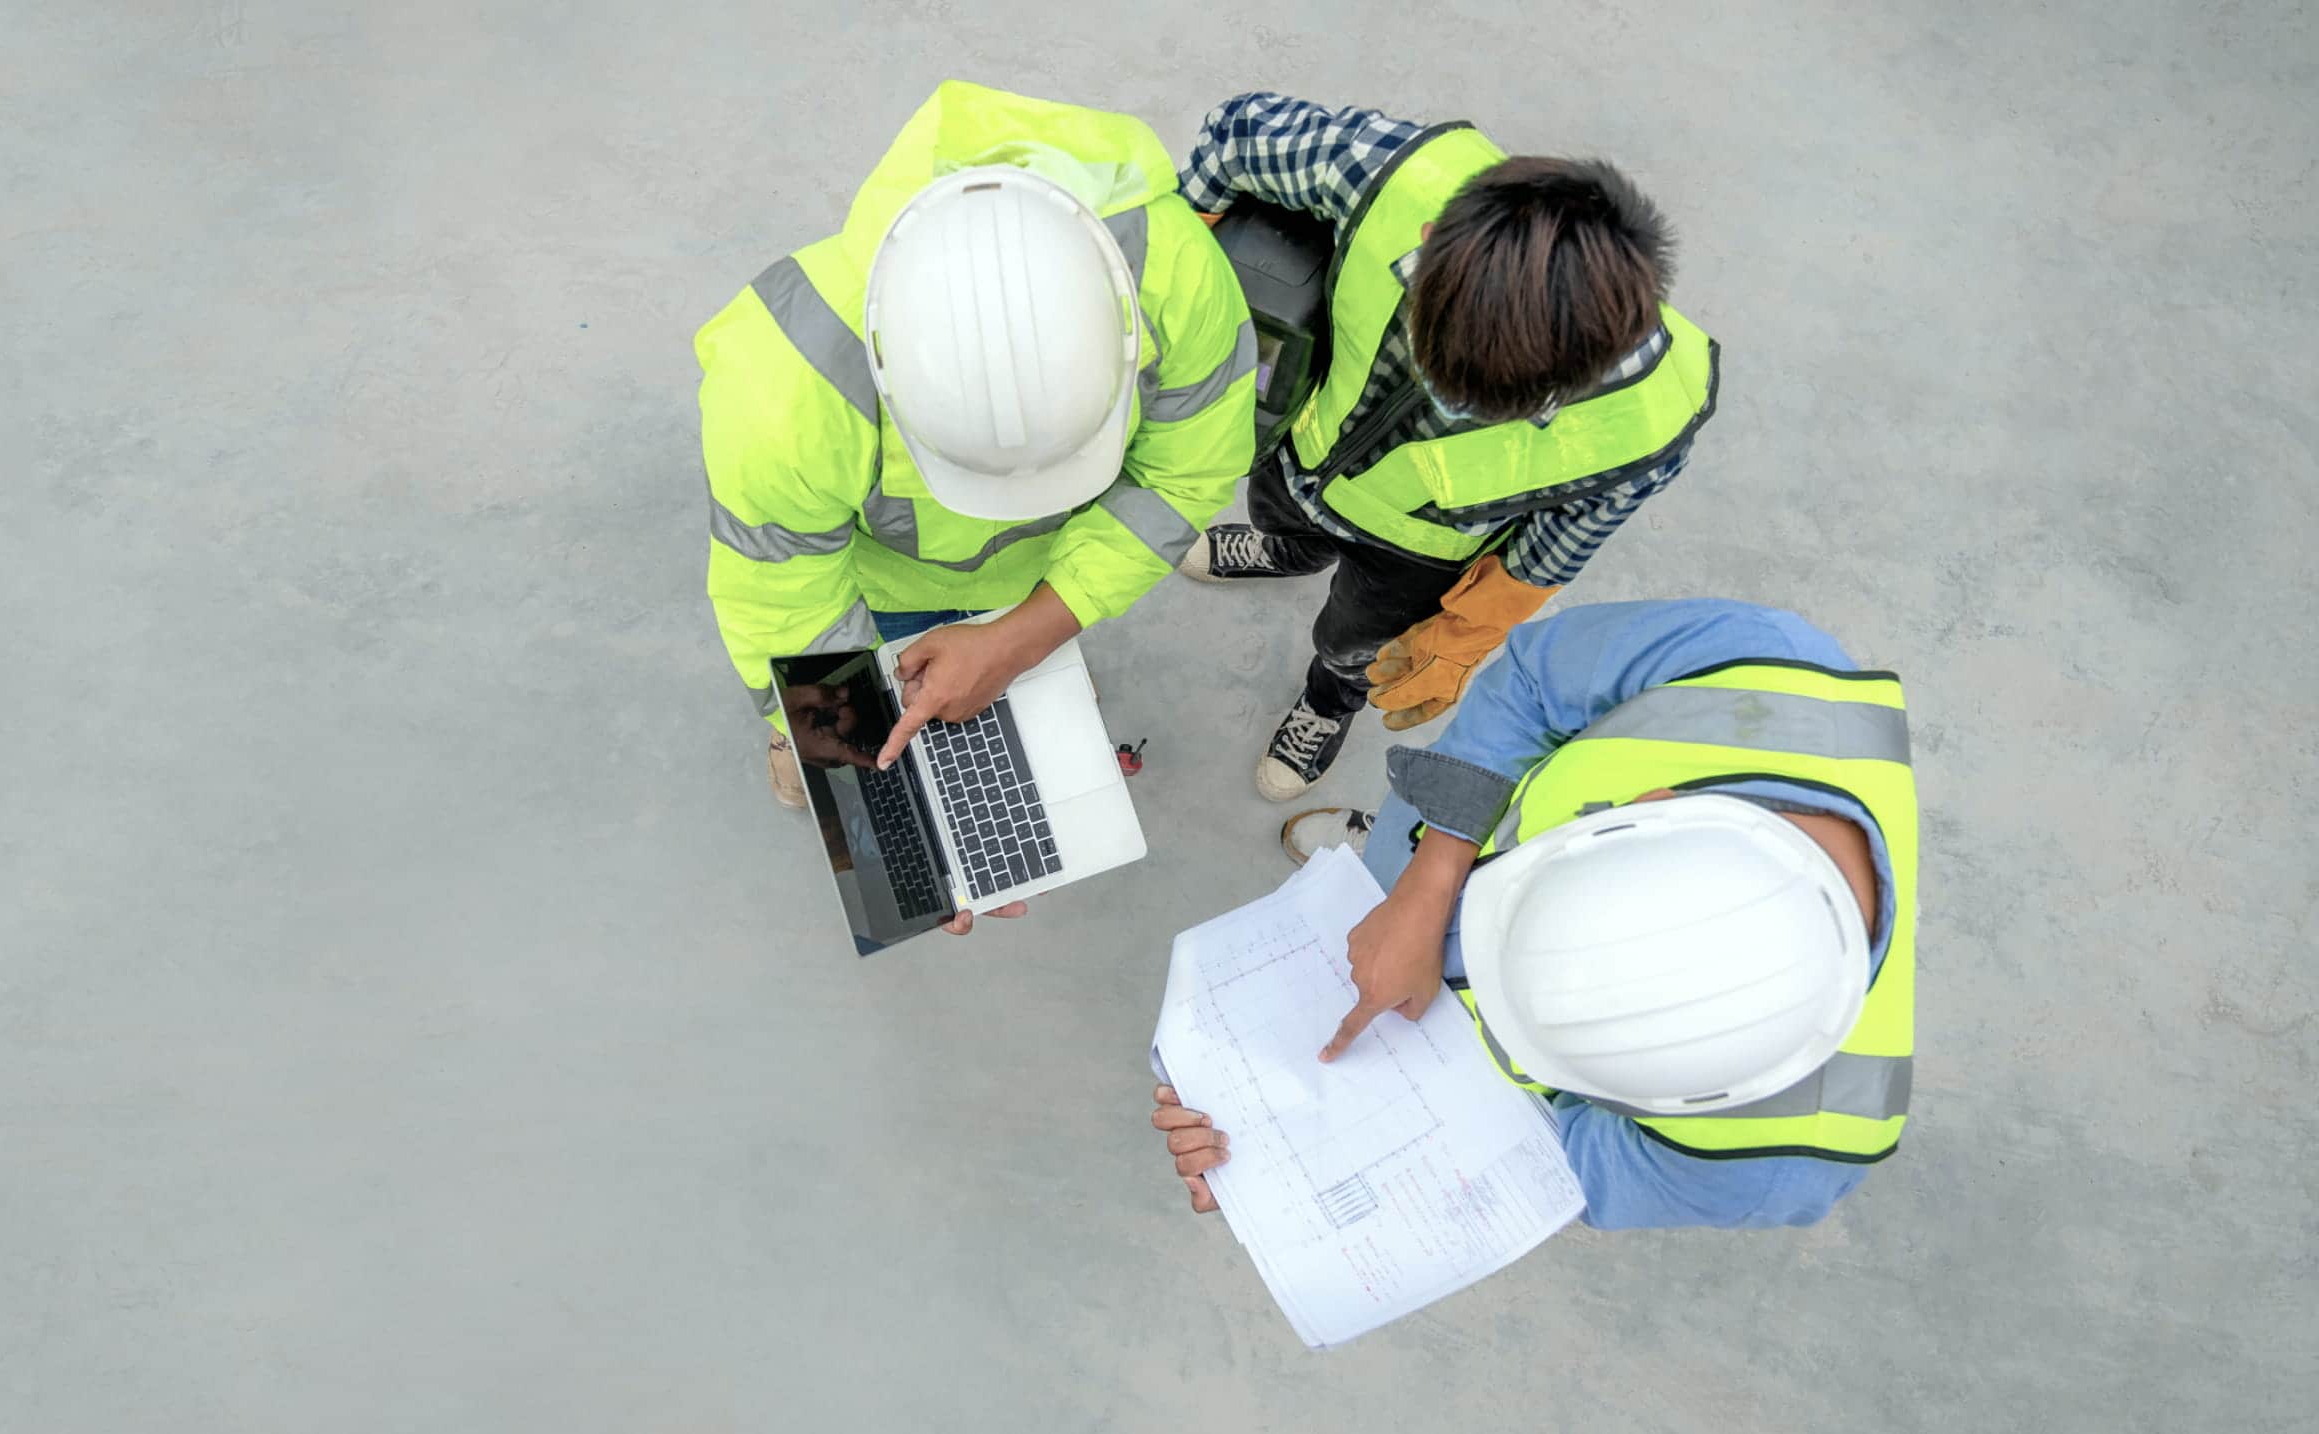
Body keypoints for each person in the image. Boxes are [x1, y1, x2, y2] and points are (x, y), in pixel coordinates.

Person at [1150, 600, 1917, 1229]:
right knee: (1400, 844)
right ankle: (1377, 855)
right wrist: (1427, 877)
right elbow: (1532, 684)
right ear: (1657, 805)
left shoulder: (1775, 1168)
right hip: (1432, 854)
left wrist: (1283, 1166)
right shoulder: (1760, 666)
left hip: (1420, 1030)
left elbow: (1532, 1172)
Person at [701, 81, 1269, 861]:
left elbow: (1183, 480)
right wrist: (868, 775)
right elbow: (784, 603)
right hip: (878, 600)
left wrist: (1027, 636)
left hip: (1045, 582)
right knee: (848, 725)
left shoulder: (1172, 276)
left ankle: (1032, 673)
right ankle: (809, 743)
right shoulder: (786, 382)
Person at [1170, 92, 1718, 803]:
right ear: (1431, 239)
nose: (1443, 400)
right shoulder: (1390, 177)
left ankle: (1329, 703)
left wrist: (1463, 632)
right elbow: (1237, 135)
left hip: (1414, 552)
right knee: (1279, 513)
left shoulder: (1647, 425)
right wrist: (1173, 279)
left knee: (1353, 643)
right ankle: (1288, 550)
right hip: (1300, 450)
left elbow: (1553, 547)